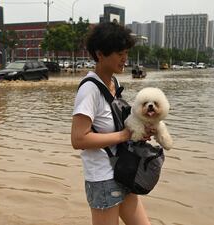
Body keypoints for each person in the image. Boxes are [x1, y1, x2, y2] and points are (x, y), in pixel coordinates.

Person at [71, 22, 152, 225]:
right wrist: (124, 135)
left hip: (123, 171)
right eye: (119, 53)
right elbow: (78, 138)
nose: (125, 59)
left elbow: (118, 123)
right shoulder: (89, 90)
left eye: (126, 52)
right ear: (100, 54)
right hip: (102, 179)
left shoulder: (113, 83)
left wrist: (139, 130)